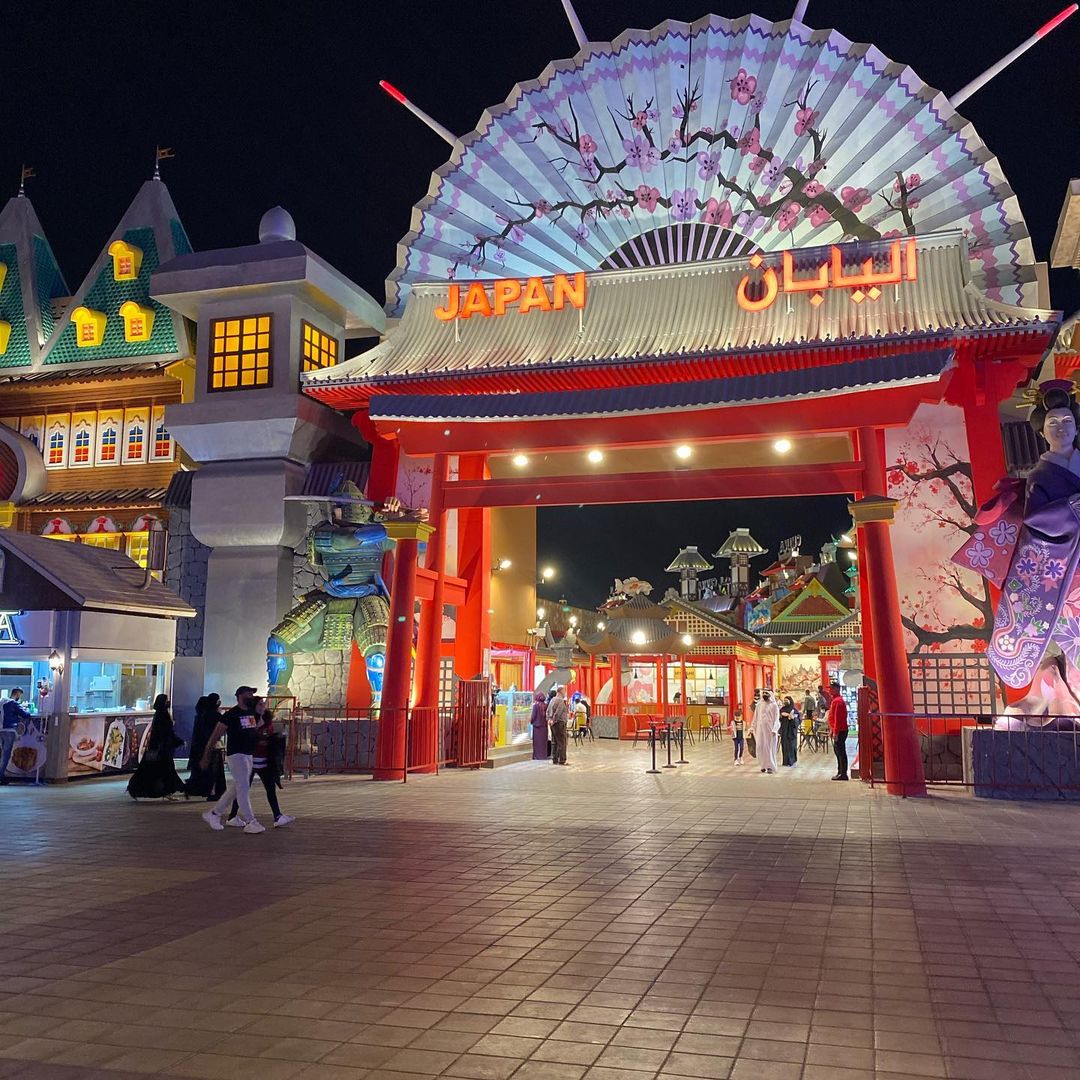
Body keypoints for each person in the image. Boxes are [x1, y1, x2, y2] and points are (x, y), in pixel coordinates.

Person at [201, 685, 266, 834]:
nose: (251, 696)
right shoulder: (231, 715)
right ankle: (250, 821)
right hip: (236, 755)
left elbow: (254, 730)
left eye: (252, 694)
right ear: (240, 696)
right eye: (248, 694)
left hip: (248, 754)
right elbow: (215, 735)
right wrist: (206, 755)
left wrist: (261, 714)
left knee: (236, 787)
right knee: (243, 788)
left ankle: (214, 813)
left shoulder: (250, 713)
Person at [227, 703, 293, 828]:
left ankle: (277, 816)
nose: (263, 707)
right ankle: (233, 816)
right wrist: (261, 738)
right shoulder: (250, 719)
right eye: (260, 704)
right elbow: (248, 736)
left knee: (269, 788)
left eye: (263, 704)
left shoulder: (267, 721)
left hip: (263, 760)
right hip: (250, 759)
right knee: (243, 789)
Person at [127, 694, 186, 800]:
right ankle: (170, 790)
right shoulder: (163, 715)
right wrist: (178, 741)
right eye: (166, 700)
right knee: (166, 770)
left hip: (157, 748)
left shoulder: (159, 714)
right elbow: (166, 733)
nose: (168, 702)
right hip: (162, 749)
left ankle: (163, 790)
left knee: (155, 770)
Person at [186, 694, 226, 799]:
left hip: (201, 746)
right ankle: (214, 791)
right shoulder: (215, 715)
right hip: (212, 745)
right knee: (214, 769)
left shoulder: (202, 715)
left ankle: (201, 789)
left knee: (205, 769)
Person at [0, 688, 31, 785]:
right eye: (20, 695)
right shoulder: (13, 703)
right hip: (9, 730)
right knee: (6, 755)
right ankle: (1, 776)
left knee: (2, 754)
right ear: (17, 694)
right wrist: (27, 709)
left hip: (1, 729)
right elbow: (25, 715)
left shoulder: (2, 702)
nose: (20, 697)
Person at [751, 689, 780, 774]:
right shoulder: (759, 705)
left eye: (766, 693)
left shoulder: (774, 705)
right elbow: (755, 717)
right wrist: (752, 727)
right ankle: (763, 766)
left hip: (770, 731)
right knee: (760, 747)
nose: (764, 694)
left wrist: (775, 729)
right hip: (760, 731)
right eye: (763, 693)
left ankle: (770, 767)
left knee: (769, 748)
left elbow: (777, 719)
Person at [828, 680, 850, 780]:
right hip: (838, 730)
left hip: (840, 730)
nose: (830, 690)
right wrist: (832, 730)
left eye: (832, 688)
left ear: (837, 689)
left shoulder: (838, 701)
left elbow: (838, 718)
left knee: (840, 752)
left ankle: (843, 773)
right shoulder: (835, 700)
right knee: (838, 751)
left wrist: (835, 732)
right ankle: (840, 771)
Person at [546, 686, 569, 766]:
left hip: (552, 724)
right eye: (564, 691)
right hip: (559, 723)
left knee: (554, 741)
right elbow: (558, 712)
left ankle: (555, 759)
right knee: (562, 742)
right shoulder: (560, 701)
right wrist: (554, 720)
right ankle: (562, 760)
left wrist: (549, 719)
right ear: (561, 692)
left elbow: (547, 711)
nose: (565, 693)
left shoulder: (552, 700)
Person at [779, 695, 799, 767]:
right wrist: (786, 715)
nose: (785, 702)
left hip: (791, 731)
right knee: (784, 745)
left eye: (787, 700)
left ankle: (791, 761)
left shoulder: (794, 710)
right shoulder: (782, 709)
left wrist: (792, 718)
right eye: (784, 700)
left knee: (791, 746)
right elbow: (780, 718)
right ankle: (785, 761)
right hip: (784, 730)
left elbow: (798, 720)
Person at [529, 691, 548, 760]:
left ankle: (537, 756)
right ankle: (543, 755)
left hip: (537, 727)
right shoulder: (546, 706)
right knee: (543, 743)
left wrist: (531, 721)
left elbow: (533, 716)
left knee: (537, 743)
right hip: (544, 727)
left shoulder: (535, 706)